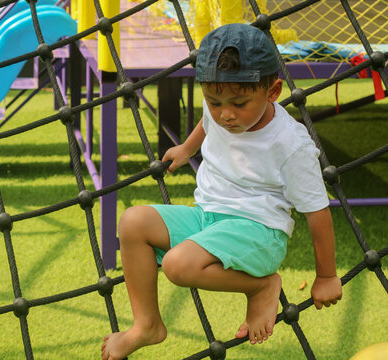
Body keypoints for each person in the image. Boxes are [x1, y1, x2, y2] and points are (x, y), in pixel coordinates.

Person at [101, 23, 342, 360]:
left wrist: (326, 276)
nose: (226, 114)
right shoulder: (219, 107)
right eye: (214, 101)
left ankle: (262, 285)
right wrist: (187, 148)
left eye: (239, 103)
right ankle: (147, 325)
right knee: (132, 221)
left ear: (272, 91)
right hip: (209, 217)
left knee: (177, 265)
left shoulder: (290, 144)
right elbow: (208, 121)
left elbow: (317, 211)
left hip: (258, 231)